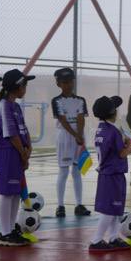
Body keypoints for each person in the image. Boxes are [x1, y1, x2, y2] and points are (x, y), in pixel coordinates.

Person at [0, 69, 35, 247]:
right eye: (24, 85)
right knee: (7, 193)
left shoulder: (15, 106)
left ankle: (11, 229)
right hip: (7, 152)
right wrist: (23, 154)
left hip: (17, 152)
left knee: (16, 192)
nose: (26, 88)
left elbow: (23, 130)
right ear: (17, 87)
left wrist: (28, 148)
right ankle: (5, 233)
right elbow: (11, 134)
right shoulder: (4, 105)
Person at [90, 96, 131, 252]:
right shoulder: (113, 131)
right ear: (112, 112)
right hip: (113, 173)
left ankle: (114, 237)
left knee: (116, 208)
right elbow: (121, 153)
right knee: (110, 210)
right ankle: (96, 240)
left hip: (107, 173)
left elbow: (111, 150)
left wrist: (124, 144)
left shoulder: (101, 128)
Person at [50, 68, 91, 218]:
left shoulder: (80, 100)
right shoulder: (57, 101)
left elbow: (81, 118)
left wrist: (79, 135)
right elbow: (62, 119)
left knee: (77, 171)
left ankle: (79, 204)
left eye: (70, 81)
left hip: (78, 137)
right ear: (58, 84)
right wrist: (75, 135)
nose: (68, 85)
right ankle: (60, 206)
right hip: (64, 137)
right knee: (63, 171)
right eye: (65, 82)